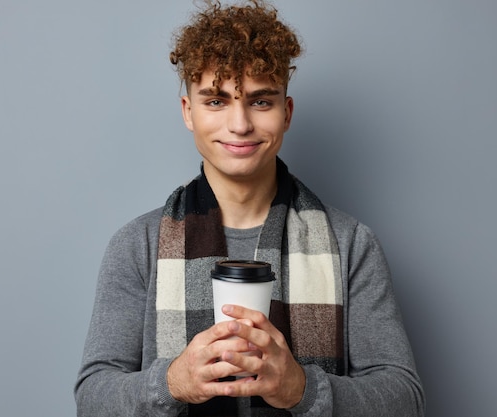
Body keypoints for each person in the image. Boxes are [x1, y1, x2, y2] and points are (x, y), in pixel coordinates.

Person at [74, 1, 425, 416]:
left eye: (260, 102)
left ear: (286, 112)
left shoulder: (351, 243)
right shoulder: (138, 244)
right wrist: (173, 382)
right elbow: (93, 398)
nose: (239, 124)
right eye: (216, 101)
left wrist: (301, 387)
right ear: (189, 112)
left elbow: (404, 399)